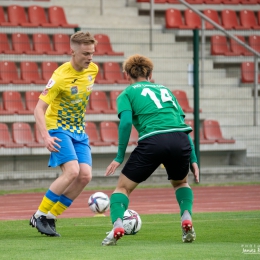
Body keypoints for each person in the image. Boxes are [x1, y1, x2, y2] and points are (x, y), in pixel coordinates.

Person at [101, 54, 199, 246]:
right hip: (180, 139)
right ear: (150, 73)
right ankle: (186, 218)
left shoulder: (126, 94)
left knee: (122, 188)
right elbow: (182, 124)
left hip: (153, 141)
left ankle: (118, 225)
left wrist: (119, 156)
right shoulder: (166, 91)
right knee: (181, 184)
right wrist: (193, 158)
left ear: (126, 74)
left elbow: (126, 122)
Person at [29, 31, 98, 237]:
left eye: (92, 53)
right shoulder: (59, 77)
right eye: (86, 53)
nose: (90, 58)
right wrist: (46, 136)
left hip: (78, 130)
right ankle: (39, 215)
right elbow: (38, 109)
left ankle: (51, 217)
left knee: (85, 176)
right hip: (57, 127)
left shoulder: (93, 70)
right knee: (72, 171)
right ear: (72, 51)